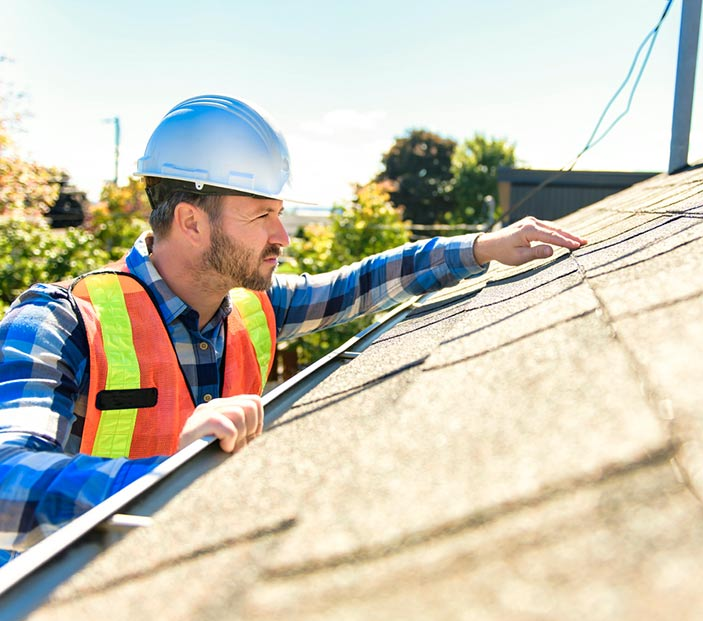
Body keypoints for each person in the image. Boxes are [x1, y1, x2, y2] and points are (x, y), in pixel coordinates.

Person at [0, 95, 586, 563]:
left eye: (280, 213)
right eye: (262, 216)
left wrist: (480, 248)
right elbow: (6, 480)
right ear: (191, 222)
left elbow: (357, 284)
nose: (282, 237)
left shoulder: (254, 308)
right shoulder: (59, 322)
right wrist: (164, 477)